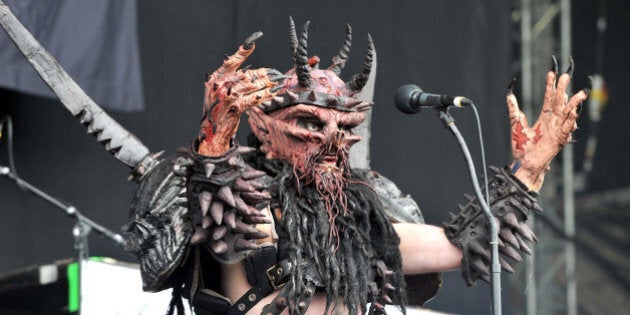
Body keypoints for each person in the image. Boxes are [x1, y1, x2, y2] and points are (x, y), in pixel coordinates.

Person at [122, 19, 588, 315]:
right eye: (308, 122)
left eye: (341, 125)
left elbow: (461, 245)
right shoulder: (237, 191)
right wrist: (214, 141)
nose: (329, 139)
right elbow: (224, 226)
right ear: (262, 126)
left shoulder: (361, 213)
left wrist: (528, 169)